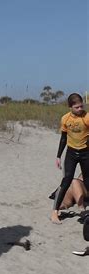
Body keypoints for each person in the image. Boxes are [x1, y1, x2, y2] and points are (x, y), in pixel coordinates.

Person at [51, 93, 89, 224]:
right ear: (70, 107)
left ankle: (85, 209)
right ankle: (54, 212)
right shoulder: (65, 119)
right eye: (77, 107)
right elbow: (63, 138)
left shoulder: (87, 117)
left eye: (81, 106)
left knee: (88, 180)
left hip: (86, 153)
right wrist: (58, 156)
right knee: (66, 180)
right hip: (71, 153)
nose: (80, 109)